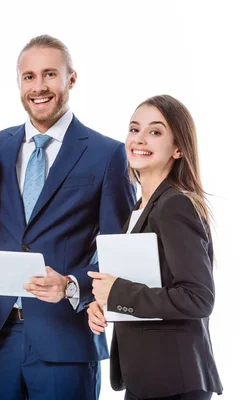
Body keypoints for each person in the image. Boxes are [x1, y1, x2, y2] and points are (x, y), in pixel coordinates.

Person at [0, 34, 136, 400]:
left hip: (66, 336)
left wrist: (72, 286)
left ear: (71, 79)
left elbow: (117, 253)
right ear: (19, 83)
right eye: (28, 76)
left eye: (49, 75)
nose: (38, 86)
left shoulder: (108, 155)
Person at [87, 95, 223, 400]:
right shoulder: (141, 208)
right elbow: (151, 285)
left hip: (174, 381)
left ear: (178, 149)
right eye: (134, 129)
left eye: (155, 132)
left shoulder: (175, 205)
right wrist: (107, 305)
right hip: (148, 377)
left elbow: (198, 298)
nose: (140, 138)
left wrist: (117, 293)